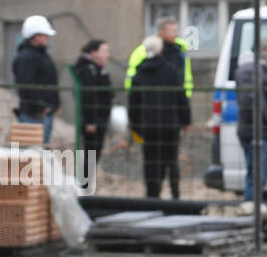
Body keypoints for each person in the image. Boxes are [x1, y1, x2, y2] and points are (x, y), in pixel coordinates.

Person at [128, 34, 191, 199]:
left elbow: (133, 103)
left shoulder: (139, 73)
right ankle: (175, 195)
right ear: (161, 50)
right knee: (171, 160)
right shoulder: (170, 70)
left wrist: (135, 125)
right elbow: (180, 96)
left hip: (148, 126)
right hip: (169, 125)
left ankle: (152, 195)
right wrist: (185, 119)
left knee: (151, 161)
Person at [233, 37, 267, 202]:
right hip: (256, 131)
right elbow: (248, 101)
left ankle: (254, 209)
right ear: (263, 51)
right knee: (257, 176)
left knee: (260, 175)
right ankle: (251, 213)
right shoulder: (250, 71)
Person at [12, 15, 60, 145]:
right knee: (32, 154)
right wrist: (40, 106)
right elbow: (26, 86)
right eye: (45, 35)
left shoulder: (41, 55)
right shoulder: (27, 57)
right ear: (36, 36)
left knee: (40, 154)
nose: (47, 38)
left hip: (42, 113)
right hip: (33, 115)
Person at [125, 16, 193, 101]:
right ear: (161, 32)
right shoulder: (145, 50)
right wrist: (134, 95)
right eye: (172, 31)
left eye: (176, 31)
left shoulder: (180, 51)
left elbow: (185, 74)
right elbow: (132, 76)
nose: (176, 34)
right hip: (151, 99)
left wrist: (185, 95)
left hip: (176, 98)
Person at [73, 39, 114, 163]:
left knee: (94, 153)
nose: (108, 54)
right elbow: (88, 96)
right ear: (94, 52)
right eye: (104, 51)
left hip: (100, 117)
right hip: (93, 120)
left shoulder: (98, 69)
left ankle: (87, 181)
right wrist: (90, 121)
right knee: (90, 153)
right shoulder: (87, 69)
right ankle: (83, 182)